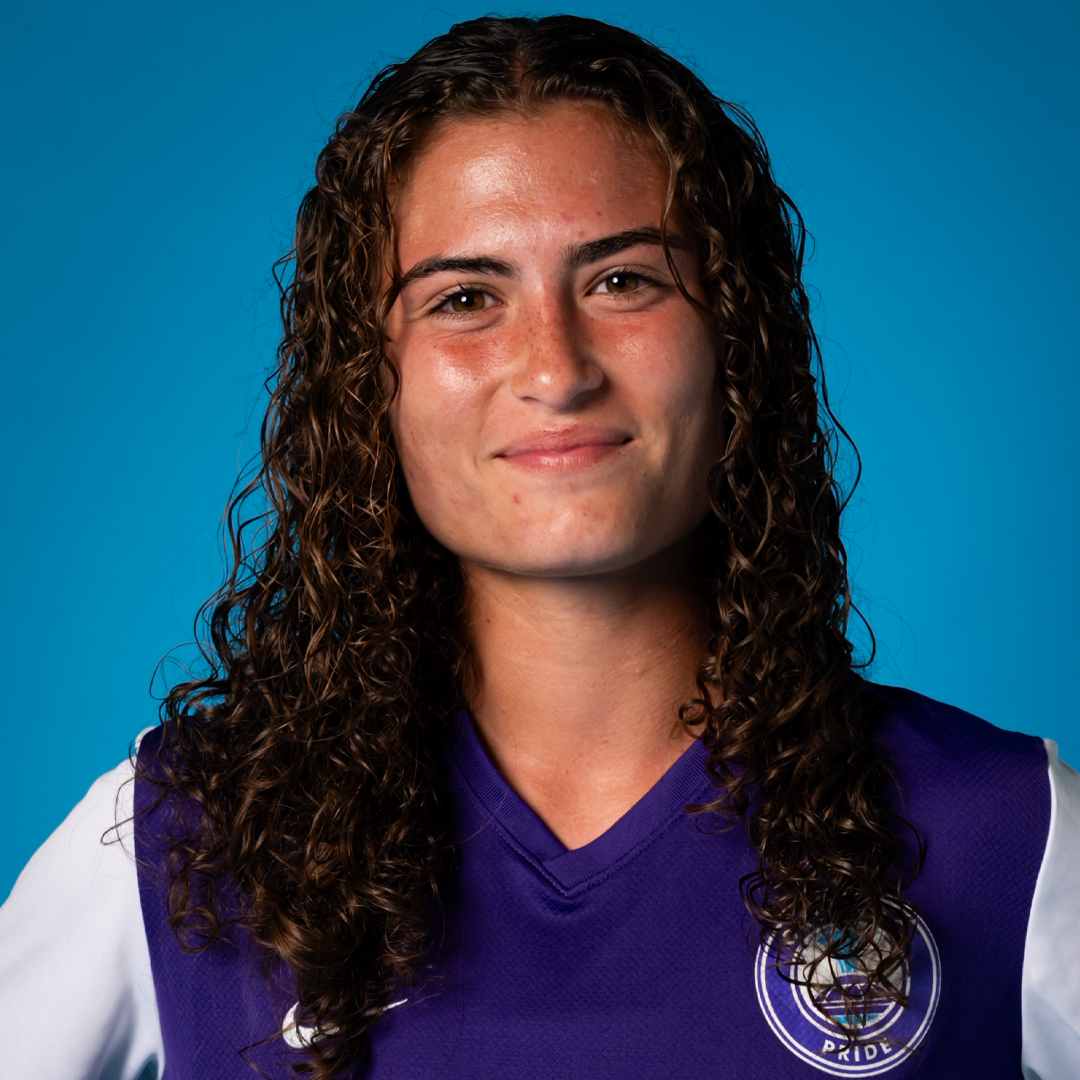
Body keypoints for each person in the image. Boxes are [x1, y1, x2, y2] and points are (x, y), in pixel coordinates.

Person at [1, 14, 1077, 1080]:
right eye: (465, 299)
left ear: (737, 341)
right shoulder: (181, 842)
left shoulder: (1008, 832)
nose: (555, 369)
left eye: (624, 281)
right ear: (367, 384)